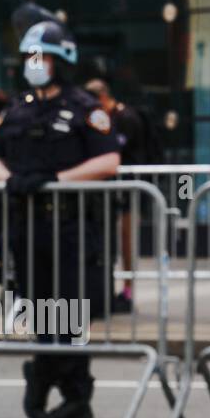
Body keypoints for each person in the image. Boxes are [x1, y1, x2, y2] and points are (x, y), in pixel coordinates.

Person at [0, 6, 120, 418]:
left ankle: (73, 387)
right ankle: (46, 371)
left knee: (70, 309)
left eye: (41, 58)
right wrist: (10, 178)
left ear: (60, 62)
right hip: (28, 226)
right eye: (29, 59)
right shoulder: (19, 108)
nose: (34, 66)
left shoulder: (84, 107)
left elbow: (109, 161)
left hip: (70, 226)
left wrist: (56, 179)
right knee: (39, 307)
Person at [84, 79, 146, 313]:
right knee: (105, 240)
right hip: (105, 192)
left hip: (130, 188)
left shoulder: (125, 117)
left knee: (127, 237)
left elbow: (114, 151)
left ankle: (128, 290)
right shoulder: (99, 118)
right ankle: (103, 289)